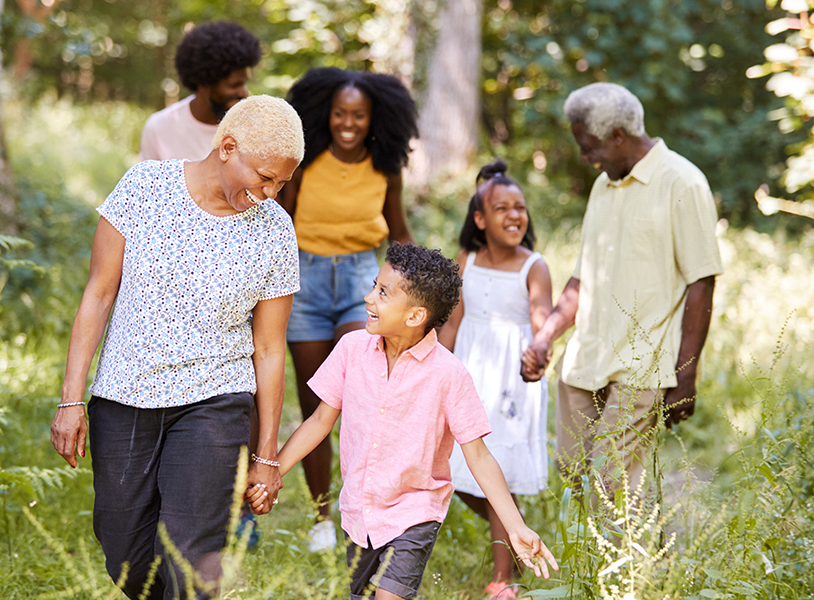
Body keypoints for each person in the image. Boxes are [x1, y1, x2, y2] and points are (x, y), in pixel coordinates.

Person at [51, 95, 305, 600]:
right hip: (126, 393)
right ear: (227, 147)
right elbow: (98, 295)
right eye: (265, 177)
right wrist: (72, 398)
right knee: (123, 547)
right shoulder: (145, 187)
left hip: (215, 401)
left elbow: (270, 348)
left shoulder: (275, 231)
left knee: (190, 555)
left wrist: (267, 455)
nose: (271, 193)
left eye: (281, 183)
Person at [248, 243, 558, 600]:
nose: (368, 298)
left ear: (415, 316)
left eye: (382, 292)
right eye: (374, 286)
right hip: (359, 512)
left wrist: (515, 526)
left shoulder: (449, 375)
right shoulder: (352, 349)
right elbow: (319, 421)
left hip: (414, 512)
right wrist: (272, 470)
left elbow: (478, 455)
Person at [521, 82, 723, 494]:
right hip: (586, 359)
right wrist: (545, 338)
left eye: (589, 146)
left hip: (642, 365)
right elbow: (584, 276)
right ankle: (608, 556)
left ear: (618, 136)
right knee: (573, 474)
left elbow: (702, 283)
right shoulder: (603, 186)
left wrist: (686, 376)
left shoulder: (682, 183)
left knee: (611, 484)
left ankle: (632, 559)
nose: (585, 157)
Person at [277, 67, 418, 551]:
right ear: (326, 114)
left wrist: (421, 285)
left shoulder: (384, 166)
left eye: (358, 115)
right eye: (340, 113)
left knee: (363, 399)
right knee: (316, 402)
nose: (349, 123)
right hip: (304, 280)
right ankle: (320, 516)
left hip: (363, 280)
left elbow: (398, 232)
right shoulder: (307, 159)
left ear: (374, 117)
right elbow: (281, 219)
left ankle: (365, 511)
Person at [436, 159, 552, 599]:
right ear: (480, 220)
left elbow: (542, 325)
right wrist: (435, 370)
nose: (514, 215)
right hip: (469, 373)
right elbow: (451, 324)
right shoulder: (467, 259)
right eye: (501, 208)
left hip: (510, 386)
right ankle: (514, 529)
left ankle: (503, 581)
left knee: (495, 467)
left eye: (520, 207)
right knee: (454, 466)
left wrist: (539, 352)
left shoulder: (533, 266)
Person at [139, 21, 261, 161]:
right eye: (234, 85)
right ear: (204, 82)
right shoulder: (159, 129)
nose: (242, 93)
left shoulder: (254, 129)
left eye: (244, 83)